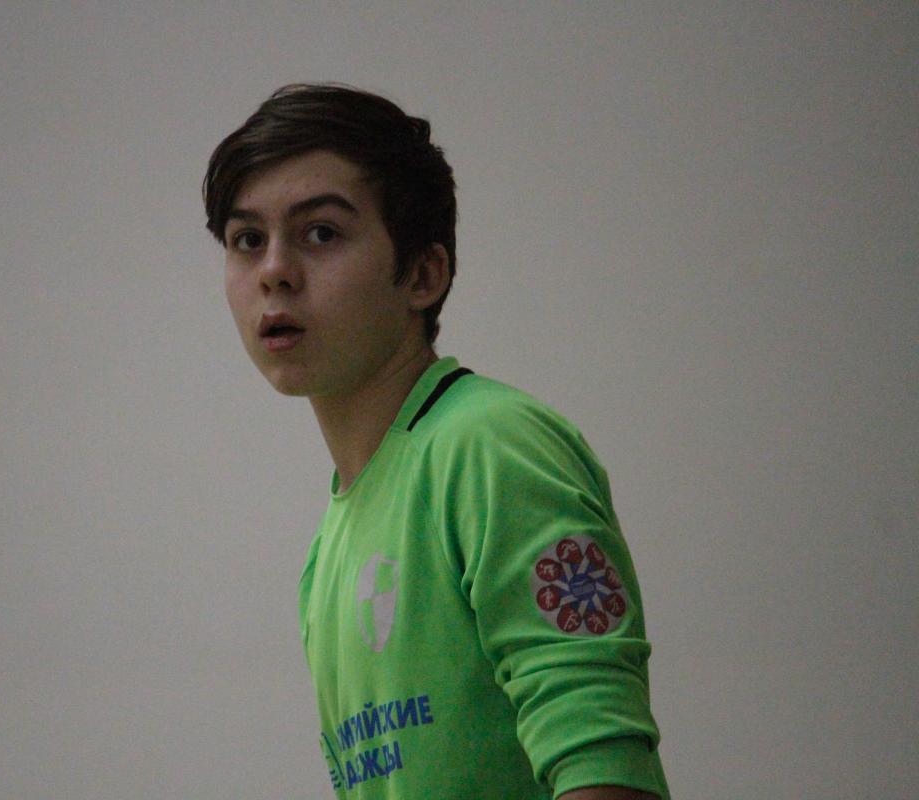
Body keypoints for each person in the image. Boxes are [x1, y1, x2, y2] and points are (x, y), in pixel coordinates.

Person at [203, 83, 670, 799]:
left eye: (321, 233)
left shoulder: (492, 446)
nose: (274, 272)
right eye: (247, 240)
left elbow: (603, 766)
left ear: (423, 273)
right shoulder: (328, 551)